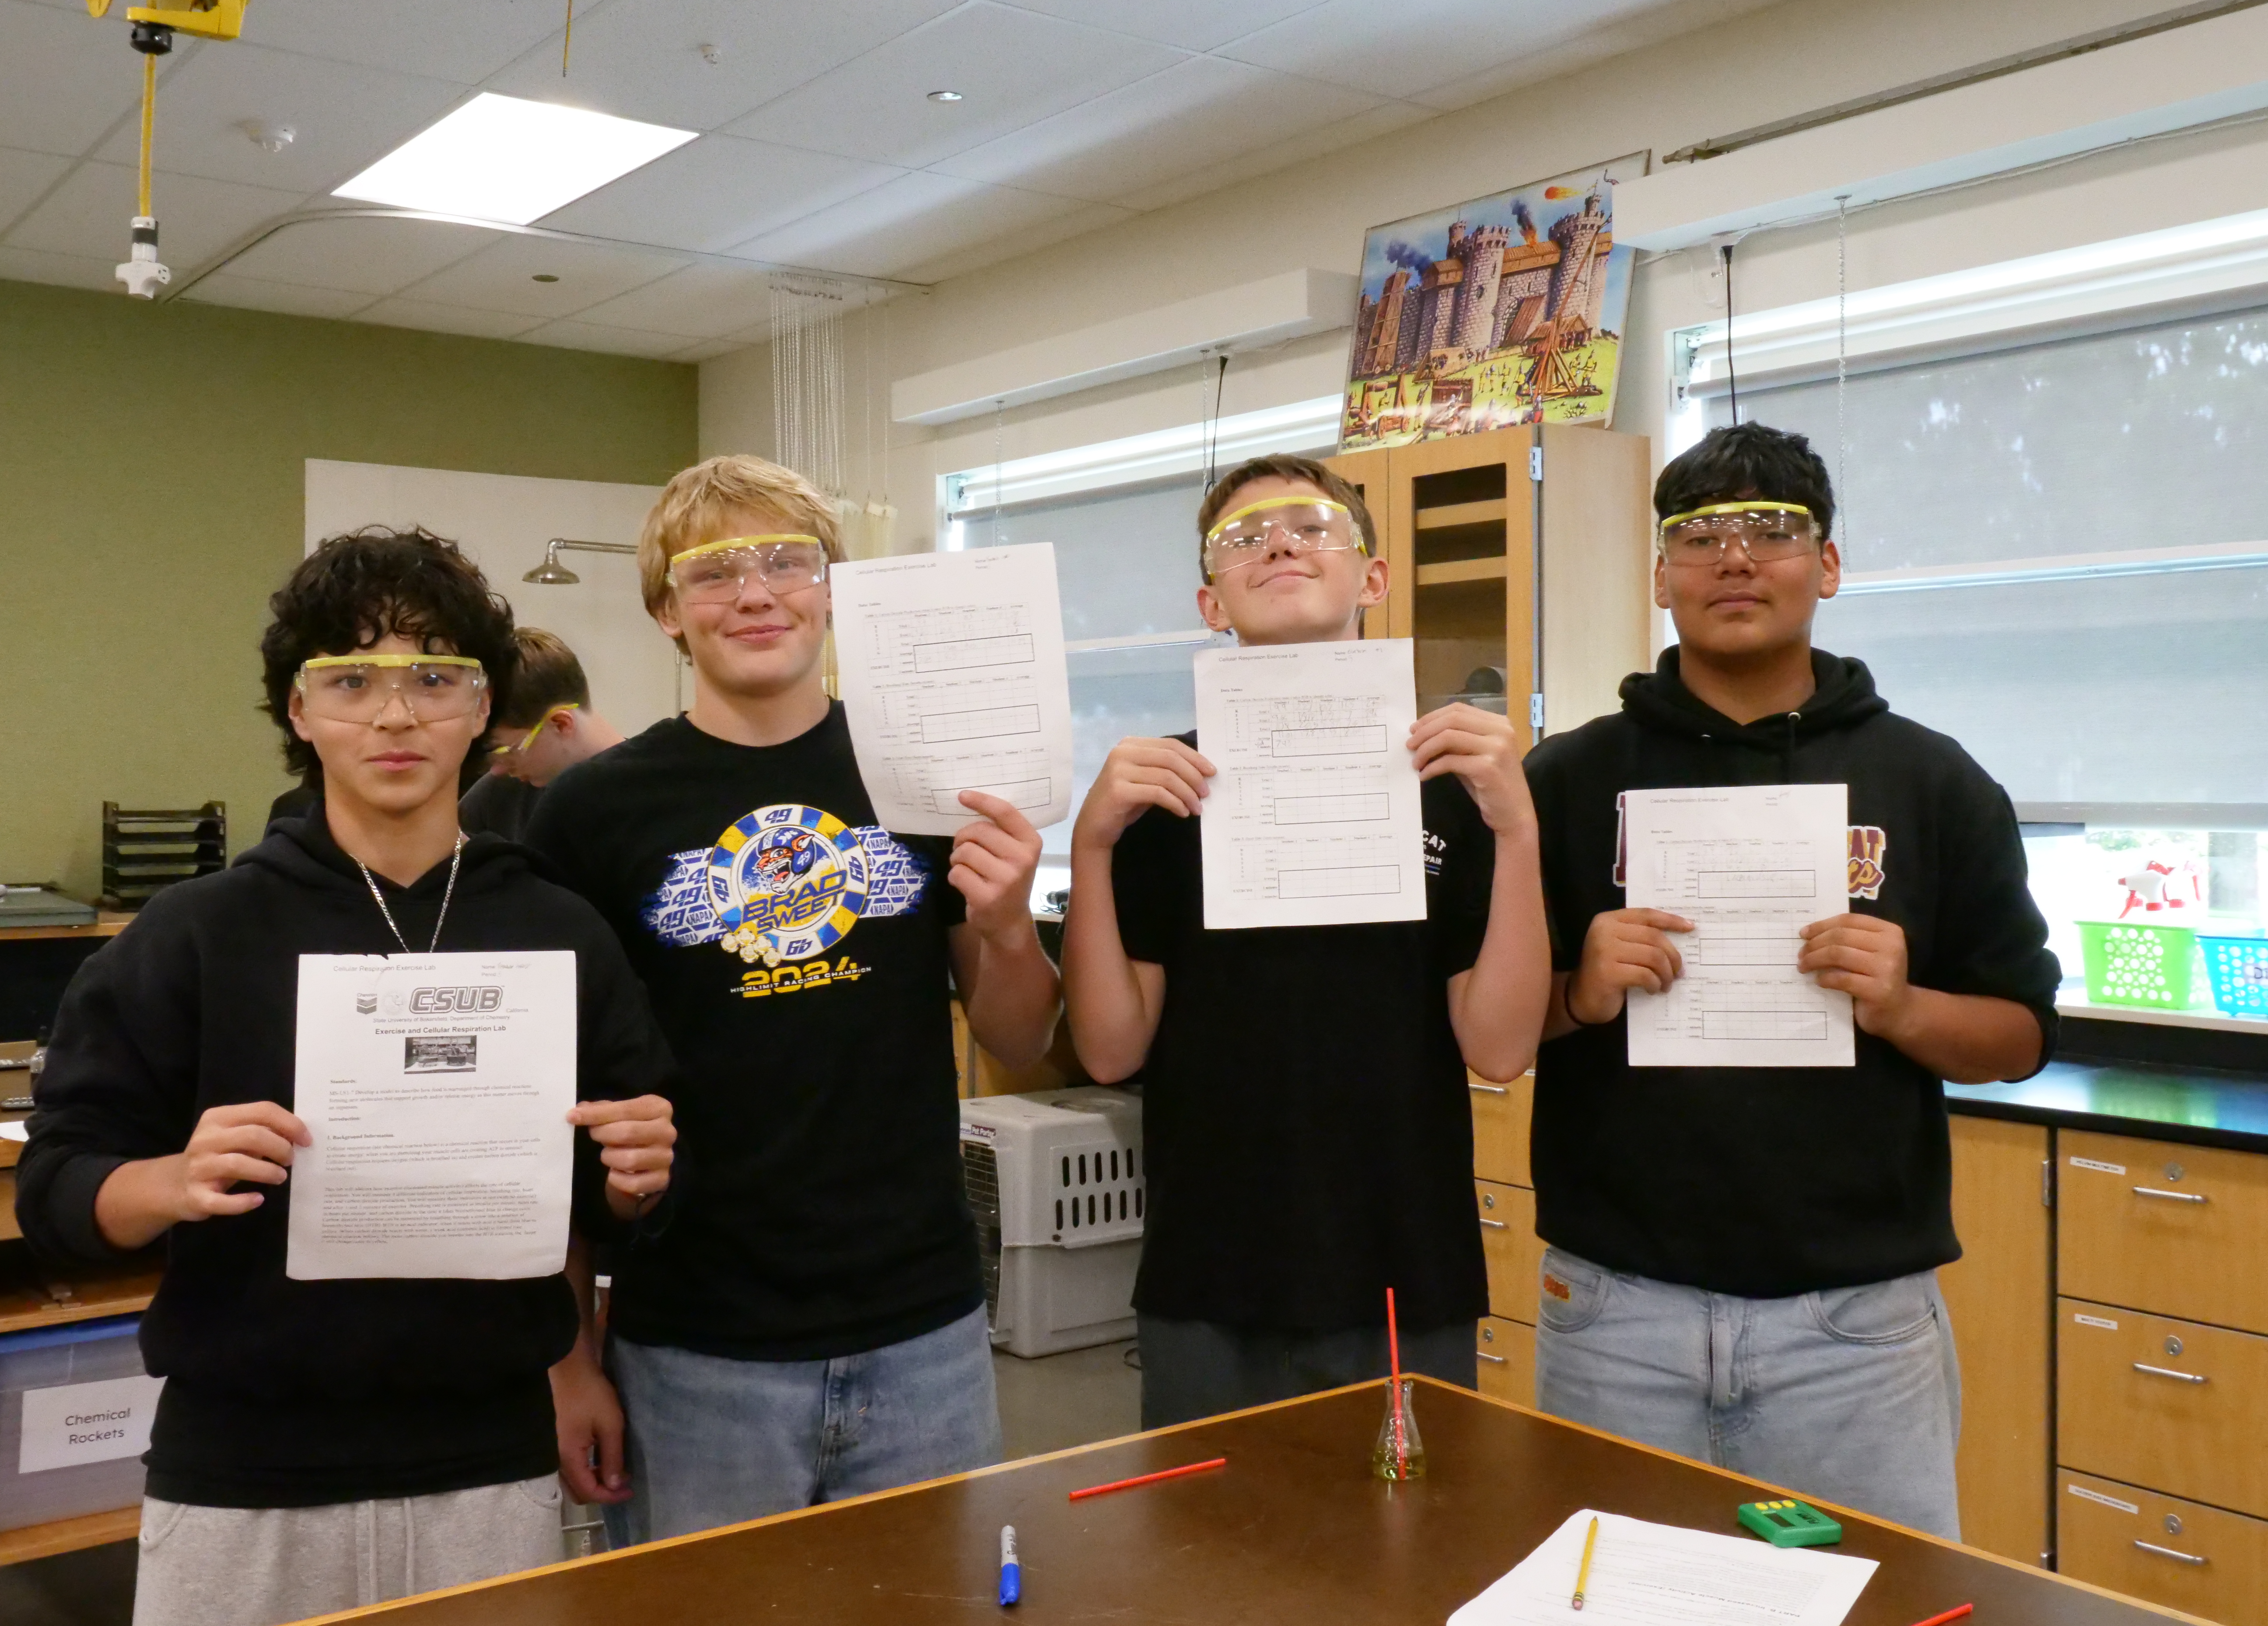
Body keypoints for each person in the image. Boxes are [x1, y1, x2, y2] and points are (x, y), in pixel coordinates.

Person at [14, 528, 679, 1626]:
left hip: (487, 1466)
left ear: (483, 711)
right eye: (351, 677)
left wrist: (635, 1178)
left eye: (435, 674)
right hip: (245, 1477)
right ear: (299, 712)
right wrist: (171, 1178)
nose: (395, 711)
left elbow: (619, 1191)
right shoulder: (194, 933)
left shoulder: (559, 928)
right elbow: (57, 1190)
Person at [1521, 423, 2060, 1540]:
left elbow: (2016, 1035)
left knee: (1874, 1599)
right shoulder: (1565, 779)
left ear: (1825, 565)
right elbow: (1478, 1028)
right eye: (1699, 533)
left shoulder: (1933, 780)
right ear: (1660, 572)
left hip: (1855, 1327)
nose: (1733, 558)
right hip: (1614, 1310)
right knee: (1617, 1607)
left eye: (1771, 530)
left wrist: (1903, 1007)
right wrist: (1578, 990)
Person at [525, 456, 1061, 1543]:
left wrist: (1006, 923)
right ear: (667, 609)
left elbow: (1021, 1042)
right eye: (714, 570)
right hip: (693, 1342)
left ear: (834, 591)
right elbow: (553, 1110)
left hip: (924, 1331)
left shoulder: (925, 776)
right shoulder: (588, 814)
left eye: (787, 561)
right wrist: (569, 1356)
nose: (756, 591)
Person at [1060, 454, 1553, 1428]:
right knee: (1217, 1562)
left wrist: (1520, 830)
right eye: (1245, 538)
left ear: (1373, 579)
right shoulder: (1164, 793)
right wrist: (1089, 844)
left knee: (1407, 1563)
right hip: (1209, 1267)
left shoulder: (1456, 784)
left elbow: (1499, 1048)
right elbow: (1111, 1050)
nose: (1281, 542)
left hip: (1403, 1265)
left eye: (1312, 526)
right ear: (1212, 602)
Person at [462, 628, 625, 841]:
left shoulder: (649, 797)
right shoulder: (499, 795)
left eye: (508, 751)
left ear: (560, 724)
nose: (498, 769)